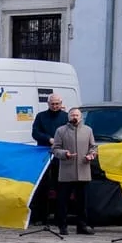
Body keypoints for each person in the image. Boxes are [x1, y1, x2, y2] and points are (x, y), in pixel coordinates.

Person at [51, 106, 98, 235]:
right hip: (66, 171)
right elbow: (55, 149)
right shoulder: (61, 131)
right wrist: (64, 154)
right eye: (72, 115)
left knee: (82, 201)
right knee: (63, 200)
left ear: (81, 117)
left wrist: (91, 155)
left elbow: (93, 147)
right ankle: (62, 226)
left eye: (77, 115)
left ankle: (82, 226)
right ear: (68, 117)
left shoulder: (88, 130)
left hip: (83, 170)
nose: (75, 117)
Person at [31, 92, 71, 227]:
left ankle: (59, 217)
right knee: (42, 186)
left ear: (61, 104)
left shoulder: (66, 117)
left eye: (57, 104)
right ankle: (39, 217)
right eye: (52, 104)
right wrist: (49, 139)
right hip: (44, 155)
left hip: (60, 157)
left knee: (61, 187)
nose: (55, 106)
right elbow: (35, 133)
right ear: (48, 104)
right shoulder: (41, 116)